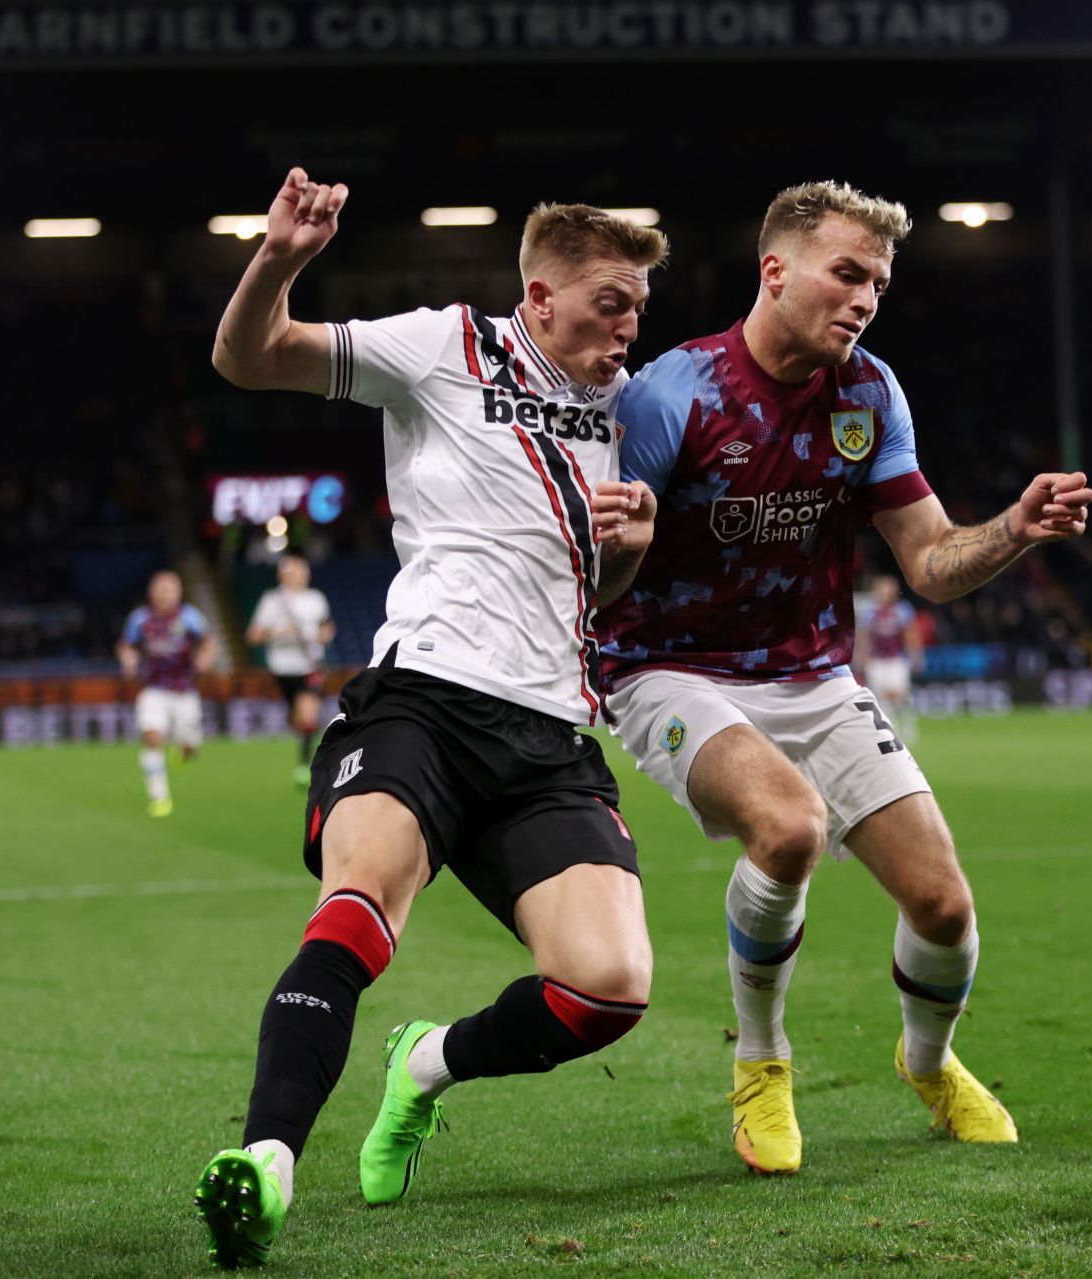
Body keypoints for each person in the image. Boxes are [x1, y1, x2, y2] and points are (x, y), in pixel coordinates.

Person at [193, 168, 666, 1269]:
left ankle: (426, 1065)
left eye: (640, 305)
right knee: (361, 906)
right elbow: (248, 359)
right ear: (541, 298)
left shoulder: (625, 415)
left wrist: (632, 555)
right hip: (423, 701)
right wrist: (280, 257)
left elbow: (593, 599)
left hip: (551, 734)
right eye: (611, 300)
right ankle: (267, 1162)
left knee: (609, 991)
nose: (629, 324)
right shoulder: (446, 345)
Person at [597, 180, 1092, 1176]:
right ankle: (761, 1061)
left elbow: (931, 561)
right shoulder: (672, 393)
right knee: (787, 827)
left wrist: (1014, 530)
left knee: (944, 905)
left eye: (878, 282)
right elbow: (598, 575)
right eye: (847, 273)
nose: (864, 298)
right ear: (775, 270)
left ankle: (930, 1063)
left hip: (812, 676)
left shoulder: (869, 394)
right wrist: (626, 548)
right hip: (668, 672)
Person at [117, 570, 217, 816]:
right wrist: (128, 660)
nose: (164, 595)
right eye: (160, 590)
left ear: (178, 592)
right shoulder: (140, 620)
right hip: (153, 689)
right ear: (151, 593)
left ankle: (183, 752)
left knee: (190, 747)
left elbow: (208, 643)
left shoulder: (190, 618)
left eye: (169, 590)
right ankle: (159, 796)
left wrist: (206, 659)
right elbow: (126, 645)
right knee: (152, 736)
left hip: (185, 691)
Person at [246, 553, 336, 787]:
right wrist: (278, 633)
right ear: (282, 575)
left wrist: (322, 636)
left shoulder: (316, 599)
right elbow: (253, 636)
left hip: (310, 665)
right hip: (282, 669)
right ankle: (301, 737)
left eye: (302, 571)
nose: (299, 576)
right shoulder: (271, 601)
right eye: (293, 572)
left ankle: (304, 765)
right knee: (296, 718)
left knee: (308, 714)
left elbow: (327, 627)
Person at [862, 574, 925, 744]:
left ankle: (908, 726)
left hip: (896, 659)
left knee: (901, 695)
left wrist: (915, 655)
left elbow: (910, 634)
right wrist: (864, 659)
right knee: (880, 697)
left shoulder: (902, 610)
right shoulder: (869, 612)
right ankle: (890, 729)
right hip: (877, 660)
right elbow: (865, 637)